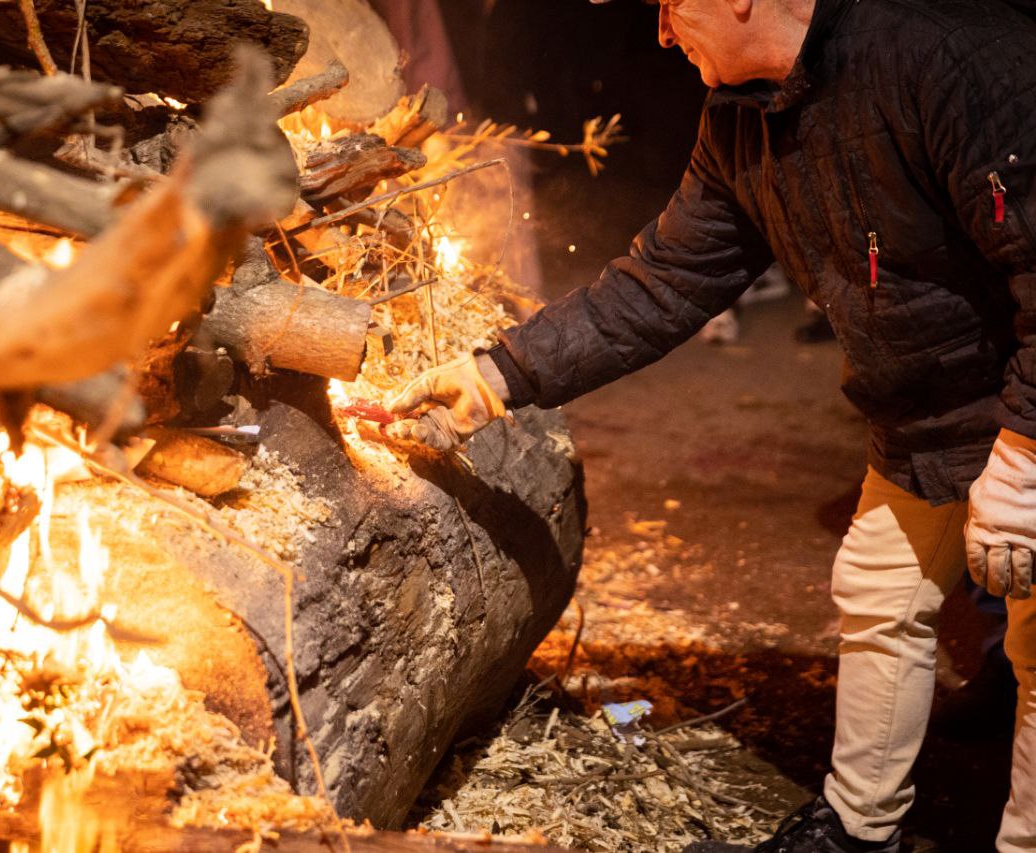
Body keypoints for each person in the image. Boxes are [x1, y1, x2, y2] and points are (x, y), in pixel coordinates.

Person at [386, 0, 1036, 849]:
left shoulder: (949, 59)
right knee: (880, 595)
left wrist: (1022, 455)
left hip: (1025, 402)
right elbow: (663, 283)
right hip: (922, 413)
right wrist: (495, 373)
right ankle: (854, 829)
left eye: (669, 5)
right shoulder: (741, 118)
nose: (660, 31)